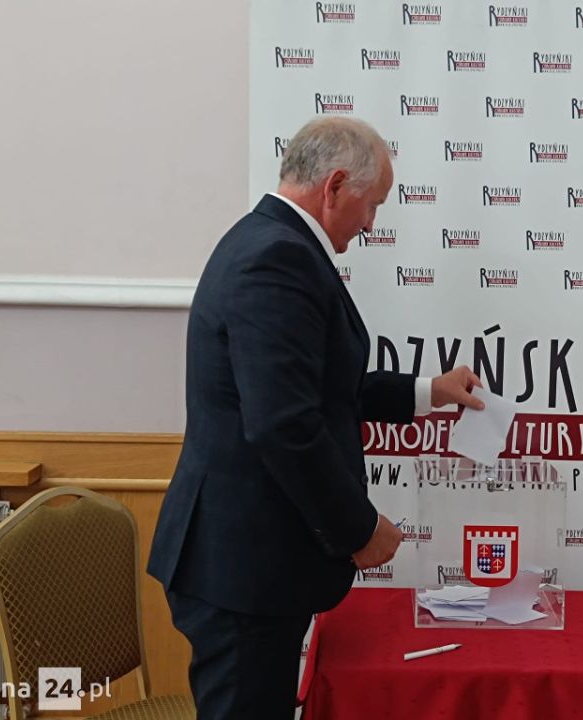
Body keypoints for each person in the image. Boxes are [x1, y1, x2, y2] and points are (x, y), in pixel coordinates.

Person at [147, 116, 483, 719]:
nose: (372, 224)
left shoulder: (271, 242)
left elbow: (320, 388)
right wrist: (359, 530)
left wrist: (428, 391)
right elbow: (283, 424)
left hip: (248, 564)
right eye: (372, 205)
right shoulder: (277, 258)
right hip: (244, 571)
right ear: (334, 187)